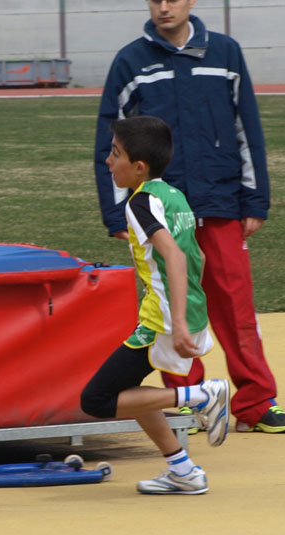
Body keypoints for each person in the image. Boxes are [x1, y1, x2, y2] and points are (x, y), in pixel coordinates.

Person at [93, 0, 285, 434]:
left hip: (220, 201)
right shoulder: (131, 60)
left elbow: (248, 130)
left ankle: (256, 403)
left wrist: (254, 199)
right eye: (156, 0)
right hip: (163, 207)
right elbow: (111, 140)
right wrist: (116, 209)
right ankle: (190, 400)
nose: (164, 7)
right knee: (172, 303)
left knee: (235, 307)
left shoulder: (225, 53)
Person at [82, 115, 229, 494]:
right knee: (132, 390)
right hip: (183, 309)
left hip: (163, 319)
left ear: (139, 167)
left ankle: (201, 395)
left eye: (115, 154)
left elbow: (176, 257)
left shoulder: (140, 202)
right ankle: (182, 470)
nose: (107, 161)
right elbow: (195, 257)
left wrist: (176, 321)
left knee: (97, 399)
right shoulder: (173, 195)